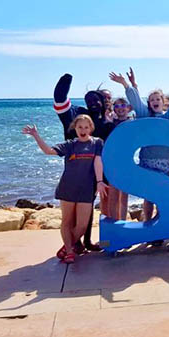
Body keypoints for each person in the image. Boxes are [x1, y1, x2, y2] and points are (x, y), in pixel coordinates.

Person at [109, 71, 169, 221]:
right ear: (149, 103)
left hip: (164, 164)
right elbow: (135, 101)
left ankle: (159, 228)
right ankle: (148, 223)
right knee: (149, 198)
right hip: (147, 163)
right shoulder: (145, 116)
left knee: (162, 197)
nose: (155, 101)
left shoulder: (168, 117)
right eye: (152, 100)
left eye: (157, 99)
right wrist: (125, 84)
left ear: (162, 102)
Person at [23, 115, 107, 264]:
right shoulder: (69, 145)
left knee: (82, 224)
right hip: (67, 187)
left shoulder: (97, 143)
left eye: (86, 127)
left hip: (86, 189)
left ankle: (66, 246)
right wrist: (36, 135)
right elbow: (48, 151)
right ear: (75, 128)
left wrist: (100, 181)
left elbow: (98, 162)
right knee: (67, 222)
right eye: (80, 127)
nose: (83, 130)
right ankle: (69, 251)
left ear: (91, 128)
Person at [53, 73, 114, 251]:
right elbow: (60, 101)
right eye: (94, 99)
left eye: (105, 99)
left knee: (88, 207)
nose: (98, 103)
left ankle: (85, 241)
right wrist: (66, 80)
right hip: (77, 171)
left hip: (99, 171)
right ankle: (73, 244)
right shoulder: (79, 115)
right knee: (73, 210)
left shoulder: (107, 119)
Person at [108, 97, 133, 220]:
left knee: (124, 195)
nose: (120, 108)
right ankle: (113, 223)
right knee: (113, 195)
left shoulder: (132, 122)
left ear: (128, 108)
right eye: (116, 106)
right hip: (113, 162)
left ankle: (122, 221)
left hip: (128, 162)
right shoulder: (111, 123)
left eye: (123, 105)